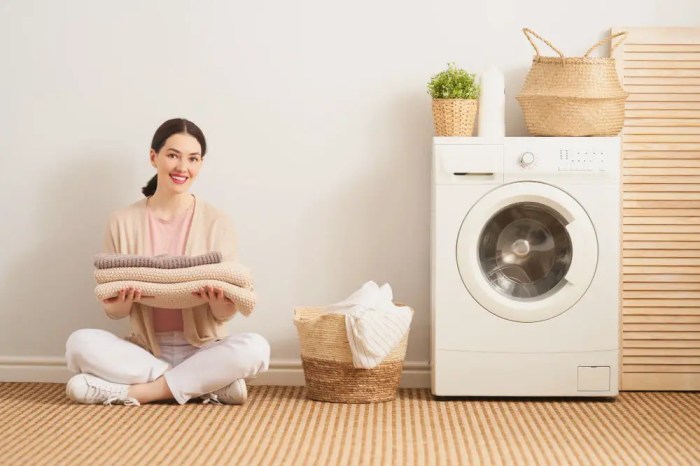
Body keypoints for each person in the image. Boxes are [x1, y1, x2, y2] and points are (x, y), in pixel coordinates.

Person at [64, 118, 270, 406]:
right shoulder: (121, 221)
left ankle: (139, 392)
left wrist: (216, 299)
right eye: (173, 155)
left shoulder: (218, 222)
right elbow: (115, 312)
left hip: (203, 350)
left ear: (200, 164)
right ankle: (202, 385)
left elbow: (224, 314)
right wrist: (122, 300)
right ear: (154, 157)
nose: (182, 167)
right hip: (145, 352)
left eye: (193, 159)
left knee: (256, 348)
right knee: (78, 343)